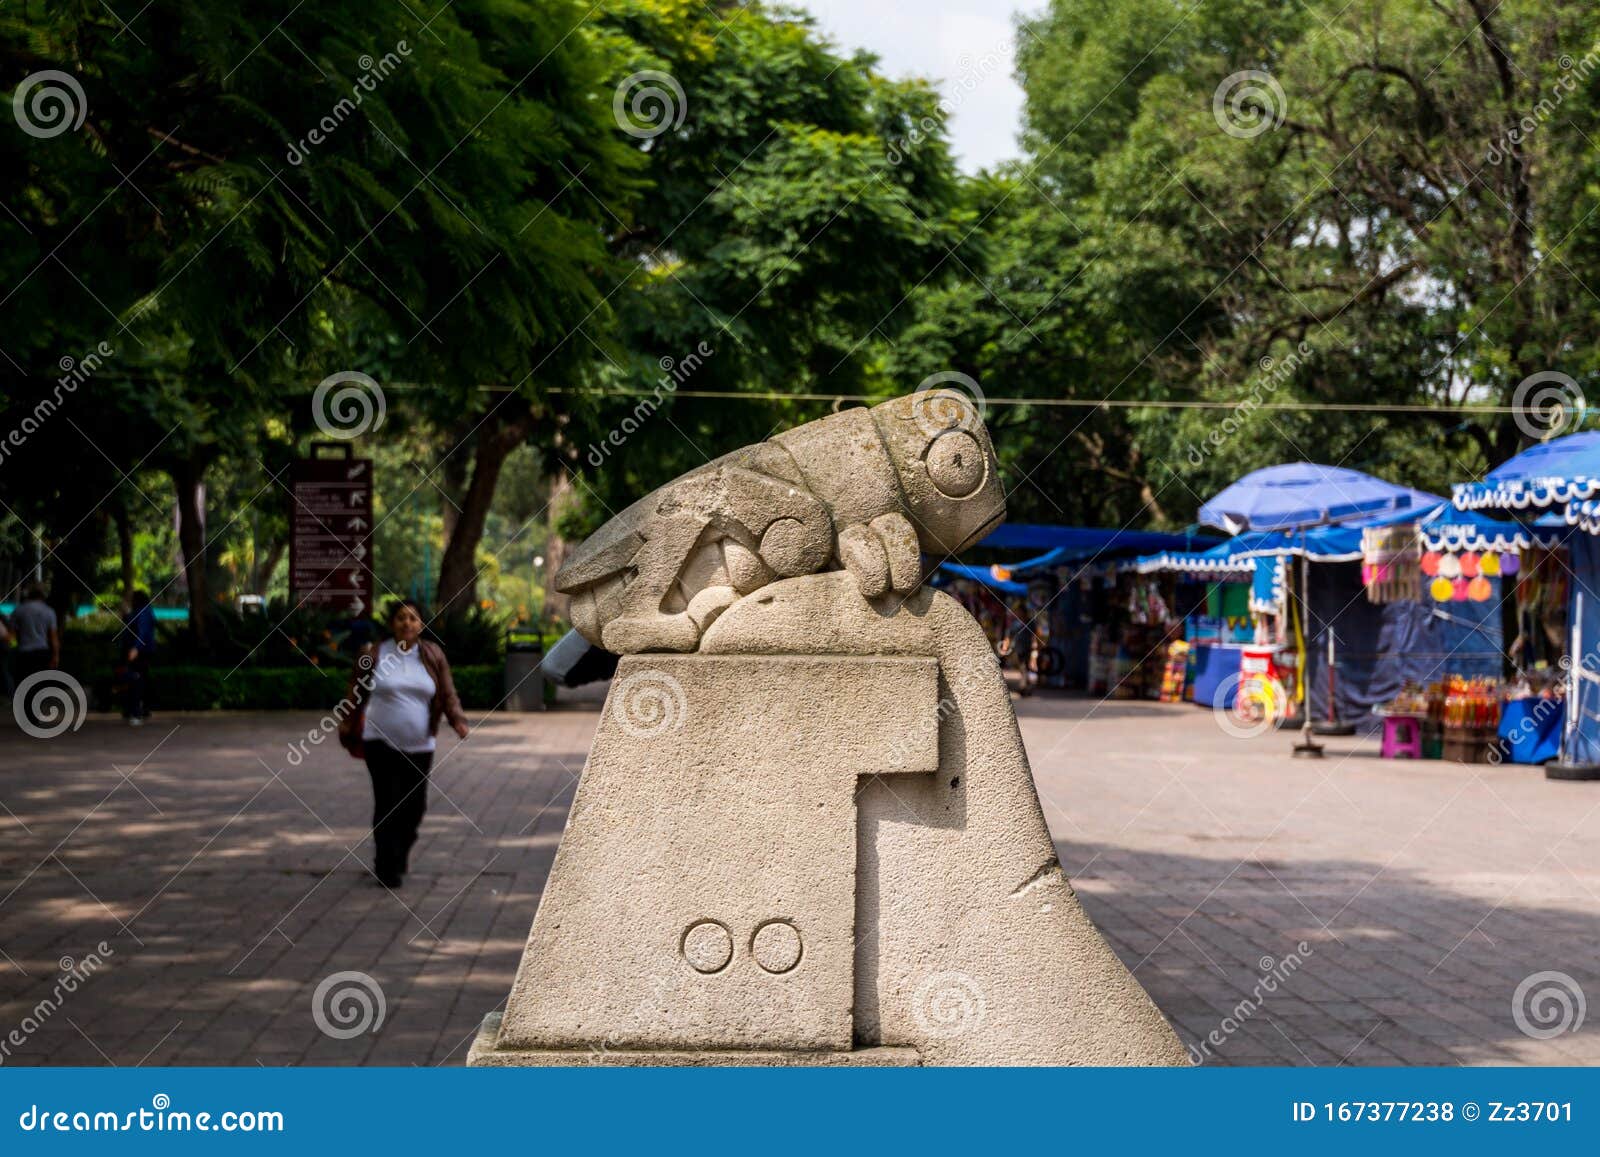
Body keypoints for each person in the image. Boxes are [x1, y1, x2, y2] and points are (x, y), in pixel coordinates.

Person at [342, 600, 470, 889]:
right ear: (392, 624)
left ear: (421, 625)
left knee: (415, 807)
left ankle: (399, 853)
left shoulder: (432, 655)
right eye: (401, 618)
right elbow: (354, 691)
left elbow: (448, 693)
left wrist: (458, 720)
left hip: (421, 744)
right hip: (379, 741)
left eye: (413, 618)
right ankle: (386, 865)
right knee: (387, 802)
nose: (407, 623)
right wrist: (347, 722)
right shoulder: (373, 654)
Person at [120, 590, 157, 725]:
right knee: (142, 679)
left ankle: (135, 712)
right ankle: (140, 709)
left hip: (140, 651)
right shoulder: (147, 611)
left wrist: (135, 648)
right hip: (145, 650)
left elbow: (141, 632)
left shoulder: (142, 612)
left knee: (136, 679)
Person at [10, 585, 59, 683]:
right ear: (43, 596)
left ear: (28, 595)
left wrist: (13, 650)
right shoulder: (49, 611)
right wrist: (55, 656)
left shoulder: (19, 610)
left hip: (24, 653)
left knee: (23, 685)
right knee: (39, 686)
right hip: (42, 653)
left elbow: (12, 636)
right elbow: (53, 638)